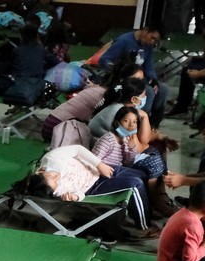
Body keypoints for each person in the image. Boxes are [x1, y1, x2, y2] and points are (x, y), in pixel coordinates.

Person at [14, 144, 154, 237]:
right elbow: (81, 192)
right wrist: (75, 197)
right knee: (135, 184)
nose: (57, 178)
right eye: (55, 182)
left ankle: (142, 210)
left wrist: (99, 164)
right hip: (93, 186)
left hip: (98, 168)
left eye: (51, 176)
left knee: (141, 175)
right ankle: (143, 226)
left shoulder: (52, 158)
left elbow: (78, 149)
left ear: (40, 172)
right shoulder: (56, 190)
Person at [92, 106, 173, 218]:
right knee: (137, 181)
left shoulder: (126, 138)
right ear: (117, 122)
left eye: (135, 122)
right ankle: (144, 219)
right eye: (126, 121)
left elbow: (128, 162)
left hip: (118, 169)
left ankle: (151, 205)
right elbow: (93, 160)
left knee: (144, 174)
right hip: (105, 174)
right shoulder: (108, 140)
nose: (131, 126)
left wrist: (131, 149)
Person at [101, 23, 167, 125]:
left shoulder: (148, 47)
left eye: (155, 41)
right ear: (146, 30)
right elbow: (104, 59)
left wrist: (153, 79)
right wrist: (118, 70)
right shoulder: (124, 41)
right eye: (152, 38)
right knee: (148, 92)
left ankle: (153, 124)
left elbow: (149, 66)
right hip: (125, 78)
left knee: (162, 89)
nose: (152, 42)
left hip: (139, 77)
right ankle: (139, 122)